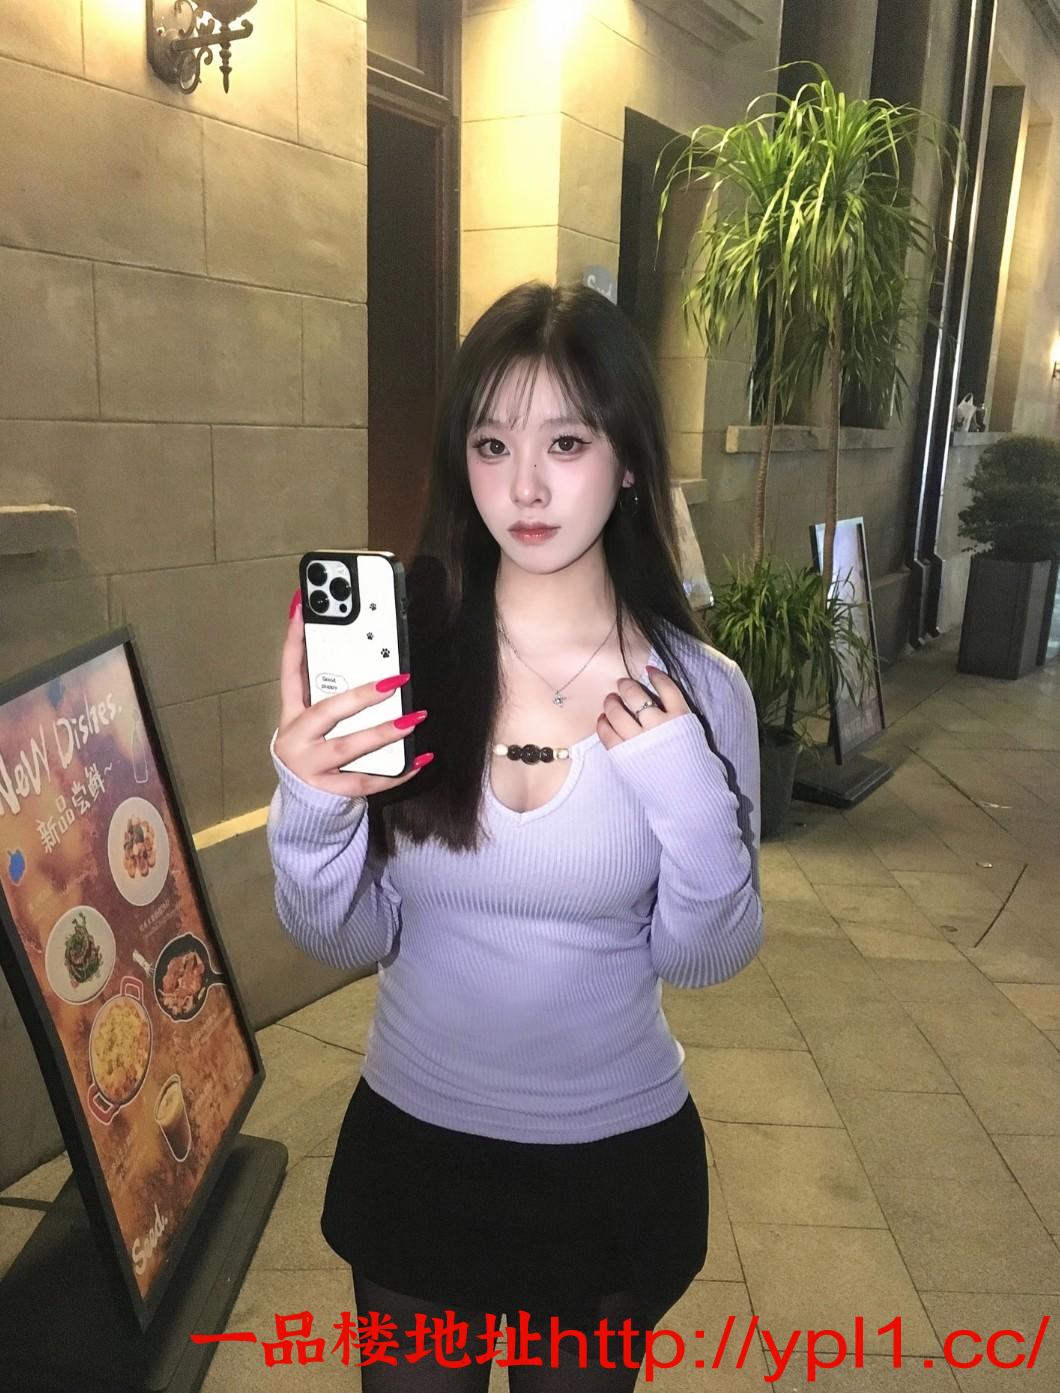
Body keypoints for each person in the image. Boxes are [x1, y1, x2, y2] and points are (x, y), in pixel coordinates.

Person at [266, 280, 763, 1390]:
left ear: (627, 461)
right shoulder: (408, 663)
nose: (525, 486)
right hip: (416, 1145)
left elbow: (704, 956)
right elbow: (343, 936)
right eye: (492, 444)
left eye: (566, 442)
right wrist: (312, 805)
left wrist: (687, 791)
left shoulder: (699, 690)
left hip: (610, 1161)